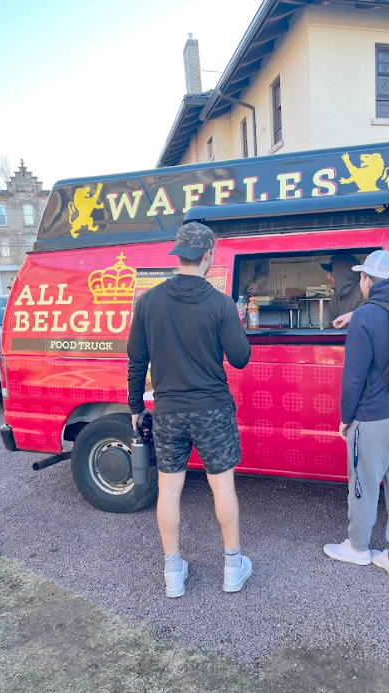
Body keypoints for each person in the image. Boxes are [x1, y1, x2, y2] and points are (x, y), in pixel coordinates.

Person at [127, 221, 252, 598]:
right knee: (222, 486)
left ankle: (173, 573)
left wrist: (136, 405)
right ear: (209, 256)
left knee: (169, 488)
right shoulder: (220, 303)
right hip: (212, 407)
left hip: (168, 410)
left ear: (178, 255)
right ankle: (232, 567)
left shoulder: (148, 301)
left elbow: (136, 361)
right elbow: (240, 358)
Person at [323, 250, 389, 581]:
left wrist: (345, 417)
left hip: (377, 419)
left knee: (364, 485)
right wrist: (355, 314)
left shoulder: (367, 317)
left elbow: (353, 376)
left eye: (363, 278)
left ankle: (357, 549)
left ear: (368, 281)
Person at [320, 254, 364, 327]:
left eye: (331, 274)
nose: (327, 277)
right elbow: (332, 328)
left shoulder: (362, 295)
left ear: (344, 276)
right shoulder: (335, 298)